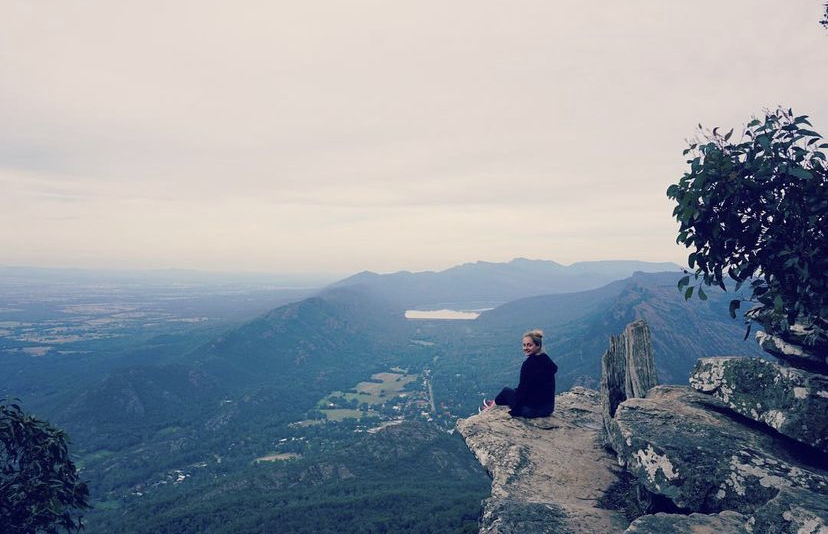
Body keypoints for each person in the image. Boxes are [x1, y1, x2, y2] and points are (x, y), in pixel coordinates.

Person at [484, 329, 557, 418]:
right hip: (547, 409)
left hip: (531, 411)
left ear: (538, 346)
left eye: (529, 345)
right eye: (524, 345)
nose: (526, 348)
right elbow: (534, 388)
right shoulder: (546, 360)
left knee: (505, 391)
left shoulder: (528, 364)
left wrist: (516, 410)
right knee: (514, 392)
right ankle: (494, 403)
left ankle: (490, 408)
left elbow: (523, 390)